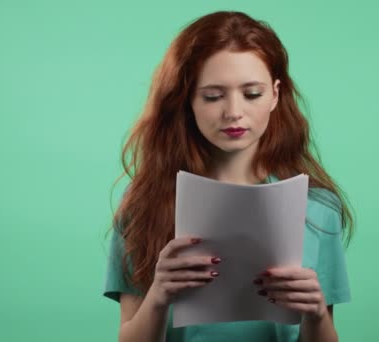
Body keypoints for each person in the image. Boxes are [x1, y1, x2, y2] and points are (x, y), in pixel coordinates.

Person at [102, 10, 356, 342]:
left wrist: (316, 312)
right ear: (188, 98)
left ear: (275, 95)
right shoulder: (144, 204)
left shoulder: (318, 207)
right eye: (213, 95)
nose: (233, 111)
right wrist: (159, 295)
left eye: (252, 94)